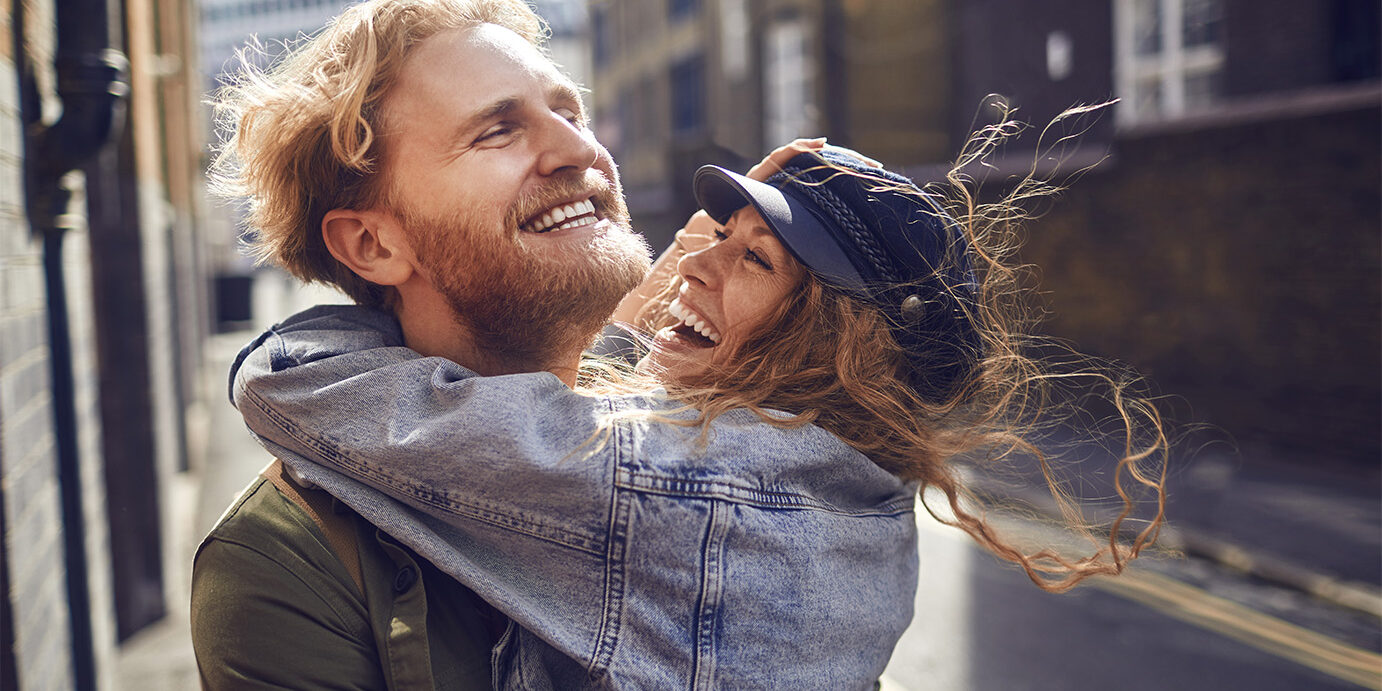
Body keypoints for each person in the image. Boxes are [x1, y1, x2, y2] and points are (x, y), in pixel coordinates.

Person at [227, 130, 1169, 689]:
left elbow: (296, 388)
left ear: (833, 343)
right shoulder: (847, 487)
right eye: (720, 234)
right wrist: (663, 318)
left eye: (755, 260)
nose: (697, 263)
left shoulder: (687, 488)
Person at [190, 0, 652, 687]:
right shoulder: (283, 561)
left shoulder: (711, 410)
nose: (580, 149)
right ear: (373, 244)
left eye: (570, 113)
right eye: (498, 131)